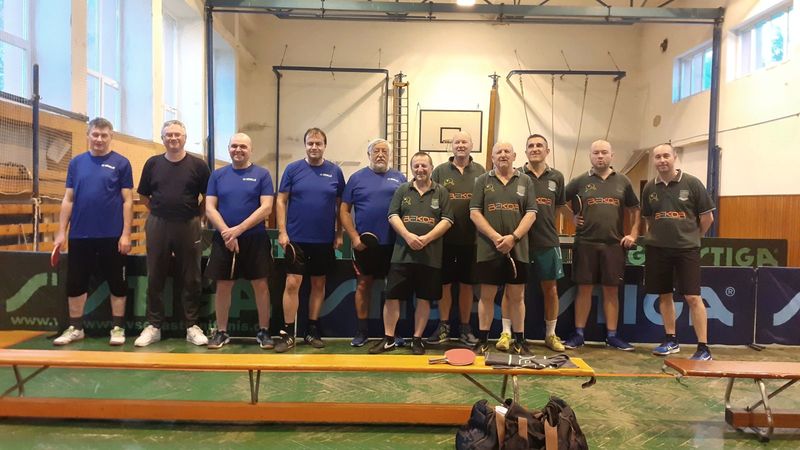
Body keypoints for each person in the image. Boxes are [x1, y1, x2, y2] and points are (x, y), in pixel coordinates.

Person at [52, 117, 133, 346]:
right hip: (80, 235)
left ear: (111, 137)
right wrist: (61, 232)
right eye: (95, 134)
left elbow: (128, 201)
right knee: (76, 283)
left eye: (104, 135)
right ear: (88, 135)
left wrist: (126, 233)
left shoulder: (122, 163)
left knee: (117, 283)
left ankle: (117, 328)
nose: (99, 139)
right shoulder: (76, 163)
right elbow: (68, 199)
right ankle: (76, 328)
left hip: (112, 235)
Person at [134, 120, 210, 347]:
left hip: (189, 224)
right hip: (158, 224)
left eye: (177, 134)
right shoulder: (152, 163)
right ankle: (154, 326)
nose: (173, 138)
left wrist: (197, 216)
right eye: (169, 135)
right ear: (162, 138)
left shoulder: (198, 166)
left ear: (185, 138)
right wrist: (160, 212)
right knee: (155, 274)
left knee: (191, 276)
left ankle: (192, 326)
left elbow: (208, 197)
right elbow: (143, 196)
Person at [369, 152, 453, 355]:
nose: (420, 169)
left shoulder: (441, 192)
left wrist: (427, 238)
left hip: (430, 257)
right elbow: (393, 215)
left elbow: (447, 220)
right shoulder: (402, 190)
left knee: (424, 299)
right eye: (416, 166)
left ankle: (417, 339)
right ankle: (389, 339)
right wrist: (408, 236)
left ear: (431, 168)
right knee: (392, 297)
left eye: (424, 166)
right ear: (411, 168)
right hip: (402, 255)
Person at [563, 140, 640, 351]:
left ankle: (612, 336)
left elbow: (635, 209)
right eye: (596, 153)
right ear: (590, 156)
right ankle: (579, 334)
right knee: (584, 289)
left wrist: (633, 233)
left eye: (604, 152)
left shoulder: (623, 181)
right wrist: (571, 217)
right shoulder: (579, 181)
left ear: (611, 155)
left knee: (611, 291)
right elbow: (559, 201)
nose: (600, 156)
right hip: (585, 243)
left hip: (613, 245)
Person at [641, 143, 715, 361]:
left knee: (693, 297)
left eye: (666, 155)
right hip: (658, 249)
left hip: (686, 250)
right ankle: (671, 340)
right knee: (664, 295)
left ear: (674, 157)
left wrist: (692, 236)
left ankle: (703, 348)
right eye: (657, 157)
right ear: (654, 160)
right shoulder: (649, 188)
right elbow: (649, 219)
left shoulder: (692, 183)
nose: (662, 160)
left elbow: (707, 218)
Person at [275, 127, 345, 352]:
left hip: (323, 240)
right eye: (310, 143)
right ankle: (288, 333)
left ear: (325, 146)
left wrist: (339, 233)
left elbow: (341, 206)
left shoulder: (335, 171)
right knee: (292, 284)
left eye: (318, 143)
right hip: (296, 240)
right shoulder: (292, 169)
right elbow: (280, 201)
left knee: (318, 284)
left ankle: (312, 329)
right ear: (305, 145)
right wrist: (282, 231)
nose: (314, 147)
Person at [204, 133, 275, 349]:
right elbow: (209, 208)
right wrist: (227, 233)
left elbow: (266, 208)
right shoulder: (218, 175)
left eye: (243, 146)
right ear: (228, 149)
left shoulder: (262, 175)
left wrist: (238, 230)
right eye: (234, 146)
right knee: (223, 285)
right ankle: (221, 332)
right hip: (224, 240)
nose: (238, 150)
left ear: (251, 150)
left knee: (260, 285)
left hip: (255, 239)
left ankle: (264, 331)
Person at [469, 142, 537, 354]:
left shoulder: (525, 180)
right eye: (499, 152)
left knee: (517, 297)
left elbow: (531, 213)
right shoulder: (482, 180)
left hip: (518, 249)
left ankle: (520, 340)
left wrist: (513, 238)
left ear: (514, 156)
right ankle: (483, 340)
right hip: (488, 249)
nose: (503, 155)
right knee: (486, 297)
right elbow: (474, 212)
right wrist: (496, 237)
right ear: (492, 157)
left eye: (507, 151)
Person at [340, 139, 407, 347]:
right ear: (369, 155)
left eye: (384, 151)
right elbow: (344, 211)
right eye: (376, 151)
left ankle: (392, 333)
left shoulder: (400, 178)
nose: (380, 155)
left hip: (394, 244)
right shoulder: (356, 178)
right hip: (365, 245)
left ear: (390, 155)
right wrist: (354, 237)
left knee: (393, 289)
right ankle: (361, 331)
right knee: (363, 285)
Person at [426, 131, 485, 346]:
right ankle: (444, 326)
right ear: (451, 146)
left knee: (467, 285)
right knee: (445, 284)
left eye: (464, 142)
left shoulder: (481, 171)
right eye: (457, 142)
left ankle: (465, 328)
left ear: (471, 145)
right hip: (444, 241)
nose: (461, 145)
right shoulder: (440, 171)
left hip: (472, 240)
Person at [518, 134, 568, 352]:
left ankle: (550, 334)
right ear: (525, 151)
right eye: (531, 146)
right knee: (516, 291)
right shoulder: (517, 175)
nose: (535, 148)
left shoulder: (557, 177)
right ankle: (512, 335)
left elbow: (558, 208)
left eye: (540, 145)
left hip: (547, 241)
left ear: (547, 151)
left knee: (551, 290)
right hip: (520, 241)